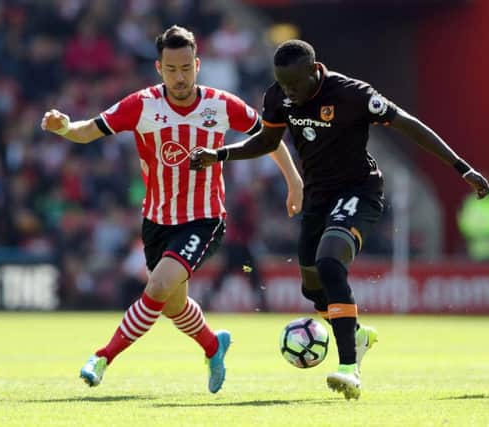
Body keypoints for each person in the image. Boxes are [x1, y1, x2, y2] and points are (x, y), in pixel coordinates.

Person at [190, 39, 489, 400]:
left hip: (359, 192)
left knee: (330, 263)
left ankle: (349, 367)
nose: (289, 93)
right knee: (312, 288)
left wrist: (463, 168)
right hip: (318, 199)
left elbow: (408, 124)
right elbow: (267, 141)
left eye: (295, 85)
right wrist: (220, 154)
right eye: (283, 85)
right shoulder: (279, 96)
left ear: (315, 71)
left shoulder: (351, 94)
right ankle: (359, 336)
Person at [40, 26, 303, 394]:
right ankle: (213, 345)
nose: (180, 77)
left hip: (205, 218)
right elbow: (88, 130)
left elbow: (269, 138)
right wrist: (64, 126)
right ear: (159, 68)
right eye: (172, 69)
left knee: (159, 285)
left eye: (186, 68)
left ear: (197, 65)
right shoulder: (141, 105)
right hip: (157, 221)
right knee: (171, 304)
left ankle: (101, 358)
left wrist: (294, 181)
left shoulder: (220, 105)